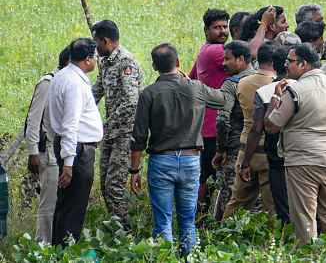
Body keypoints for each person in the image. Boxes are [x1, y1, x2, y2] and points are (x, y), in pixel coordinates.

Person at [129, 43, 225, 256]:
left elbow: (139, 137)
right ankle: (188, 257)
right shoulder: (196, 88)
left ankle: (165, 258)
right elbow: (222, 100)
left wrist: (134, 170)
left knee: (163, 220)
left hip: (162, 161)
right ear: (179, 63)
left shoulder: (149, 94)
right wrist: (191, 81)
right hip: (191, 160)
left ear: (154, 66)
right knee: (188, 220)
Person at [265, 43, 326, 245]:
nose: (286, 65)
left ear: (303, 64)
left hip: (301, 161)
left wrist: (275, 97)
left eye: (290, 61)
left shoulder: (295, 91)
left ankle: (308, 255)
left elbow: (271, 125)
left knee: (305, 217)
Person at [48, 38, 103, 245]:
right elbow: (70, 124)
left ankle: (58, 250)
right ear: (88, 59)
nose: (96, 61)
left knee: (65, 205)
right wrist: (69, 164)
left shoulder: (63, 76)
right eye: (95, 57)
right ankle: (67, 251)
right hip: (77, 151)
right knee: (74, 207)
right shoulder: (73, 84)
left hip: (70, 147)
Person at [91, 19, 142, 229]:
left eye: (96, 43)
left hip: (124, 134)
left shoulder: (126, 63)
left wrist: (106, 125)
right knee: (104, 182)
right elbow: (98, 90)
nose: (95, 48)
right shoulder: (105, 62)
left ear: (105, 41)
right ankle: (116, 227)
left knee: (114, 186)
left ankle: (125, 233)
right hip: (111, 132)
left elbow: (131, 102)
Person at [222, 42, 279, 218]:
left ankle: (224, 233)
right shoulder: (277, 85)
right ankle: (272, 242)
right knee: (271, 206)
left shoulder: (243, 83)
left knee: (237, 201)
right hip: (268, 150)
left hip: (245, 147)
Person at [24, 47, 68, 244]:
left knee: (57, 203)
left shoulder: (64, 83)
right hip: (47, 152)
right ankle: (42, 246)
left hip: (58, 152)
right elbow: (33, 120)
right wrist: (33, 152)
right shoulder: (48, 83)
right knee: (48, 204)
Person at [188, 8, 230, 215]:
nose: (222, 31)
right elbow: (250, 54)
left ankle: (200, 217)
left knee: (205, 176)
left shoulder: (204, 50)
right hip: (214, 127)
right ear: (206, 30)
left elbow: (191, 78)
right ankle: (203, 218)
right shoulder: (216, 51)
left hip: (205, 126)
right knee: (210, 177)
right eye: (216, 28)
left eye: (225, 27)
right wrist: (264, 27)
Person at [245, 46, 291, 223]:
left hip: (276, 156)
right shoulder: (303, 87)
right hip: (302, 154)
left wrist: (246, 161)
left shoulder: (265, 92)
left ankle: (284, 236)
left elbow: (257, 129)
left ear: (274, 65)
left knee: (281, 203)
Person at [213, 40, 255, 220]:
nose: (223, 63)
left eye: (227, 59)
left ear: (241, 59)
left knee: (230, 196)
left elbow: (223, 119)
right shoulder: (265, 79)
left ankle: (224, 234)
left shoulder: (231, 84)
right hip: (260, 149)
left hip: (235, 150)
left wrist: (221, 148)